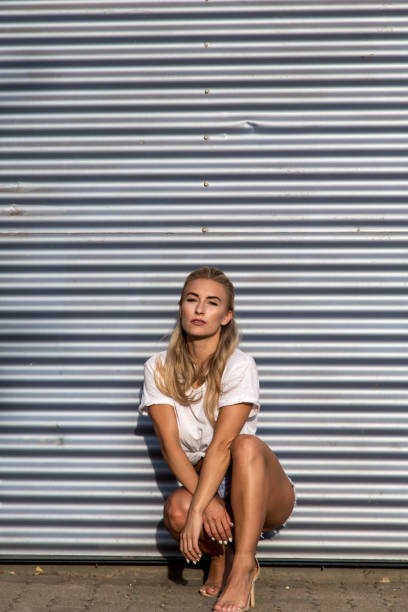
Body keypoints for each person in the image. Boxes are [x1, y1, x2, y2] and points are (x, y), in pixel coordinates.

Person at [139, 266, 296, 611]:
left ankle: (243, 566)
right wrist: (203, 504)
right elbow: (169, 446)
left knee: (244, 443)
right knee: (178, 512)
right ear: (180, 306)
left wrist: (204, 505)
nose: (199, 310)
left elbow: (224, 445)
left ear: (226, 317)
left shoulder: (239, 365)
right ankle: (220, 559)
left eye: (211, 303)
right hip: (206, 478)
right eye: (191, 299)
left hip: (256, 484)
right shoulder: (158, 367)